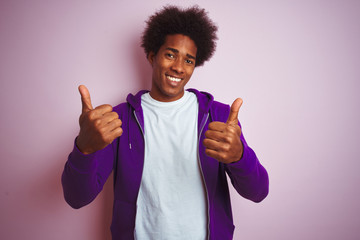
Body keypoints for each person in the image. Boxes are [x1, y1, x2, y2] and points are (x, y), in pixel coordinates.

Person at [62, 5, 269, 240]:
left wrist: (240, 157)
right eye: (170, 54)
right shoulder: (119, 121)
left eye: (188, 60)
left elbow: (258, 192)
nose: (178, 67)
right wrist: (84, 149)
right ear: (152, 56)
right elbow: (76, 197)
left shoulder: (218, 117)